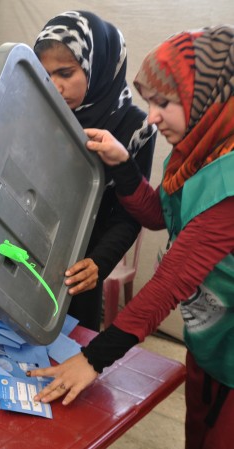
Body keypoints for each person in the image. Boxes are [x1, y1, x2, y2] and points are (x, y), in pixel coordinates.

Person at [30, 25, 234, 449]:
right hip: (211, 340)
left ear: (213, 95)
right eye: (150, 103)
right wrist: (123, 163)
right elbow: (160, 215)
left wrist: (93, 360)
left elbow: (171, 282)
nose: (154, 117)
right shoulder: (199, 151)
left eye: (165, 103)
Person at [33, 11, 157, 330]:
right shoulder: (40, 111)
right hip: (27, 249)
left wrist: (98, 264)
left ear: (96, 65)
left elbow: (129, 214)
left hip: (81, 264)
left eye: (65, 72)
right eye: (45, 74)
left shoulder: (133, 127)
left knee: (71, 347)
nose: (54, 86)